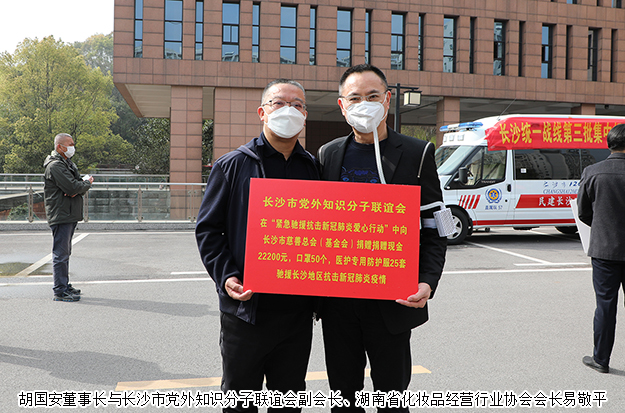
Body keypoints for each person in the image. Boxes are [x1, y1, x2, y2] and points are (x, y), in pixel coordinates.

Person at [317, 64, 447, 412]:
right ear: (342, 106)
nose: (364, 104)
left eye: (372, 96)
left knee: (392, 394)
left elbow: (436, 226)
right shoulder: (328, 154)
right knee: (342, 394)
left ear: (387, 100)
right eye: (355, 98)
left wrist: (427, 280)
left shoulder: (418, 153)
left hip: (393, 300)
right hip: (339, 302)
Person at [195, 79, 320, 412]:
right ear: (262, 113)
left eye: (298, 105)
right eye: (279, 103)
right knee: (240, 399)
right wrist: (226, 276)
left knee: (290, 398)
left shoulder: (313, 169)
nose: (289, 110)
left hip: (296, 315)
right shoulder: (232, 165)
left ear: (305, 116)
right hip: (246, 311)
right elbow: (208, 230)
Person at [577, 123, 625, 374]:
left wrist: (602, 226)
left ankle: (601, 359)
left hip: (605, 250)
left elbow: (583, 212)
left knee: (605, 305)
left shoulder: (593, 172)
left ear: (609, 144)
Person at [43, 133, 93, 302]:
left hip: (68, 213)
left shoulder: (66, 163)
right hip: (61, 214)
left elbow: (75, 184)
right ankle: (60, 290)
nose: (73, 147)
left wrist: (79, 186)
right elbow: (72, 187)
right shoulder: (55, 165)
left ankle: (64, 285)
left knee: (65, 252)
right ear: (59, 147)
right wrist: (86, 184)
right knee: (61, 253)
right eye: (70, 144)